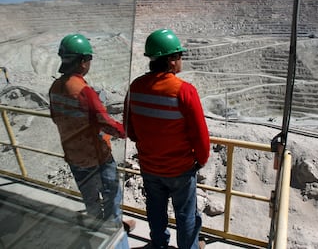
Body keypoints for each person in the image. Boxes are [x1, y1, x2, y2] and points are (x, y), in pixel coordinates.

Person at [124, 29, 210, 249]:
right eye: (179, 56)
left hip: (149, 166)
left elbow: (130, 129)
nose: (181, 60)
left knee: (155, 209)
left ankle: (159, 244)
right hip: (179, 169)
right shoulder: (184, 91)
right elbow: (200, 135)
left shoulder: (135, 87)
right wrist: (200, 159)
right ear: (171, 61)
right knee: (186, 215)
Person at [49, 33, 135, 237]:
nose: (89, 63)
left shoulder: (55, 88)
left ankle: (96, 233)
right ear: (81, 62)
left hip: (74, 156)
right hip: (97, 157)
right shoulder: (82, 90)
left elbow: (55, 117)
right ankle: (113, 234)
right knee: (112, 194)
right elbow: (105, 122)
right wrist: (126, 131)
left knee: (90, 199)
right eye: (89, 59)